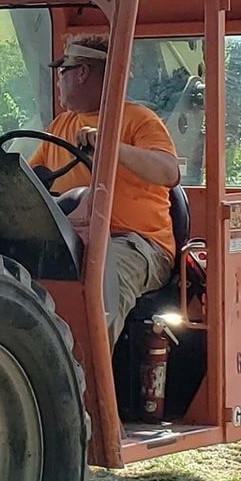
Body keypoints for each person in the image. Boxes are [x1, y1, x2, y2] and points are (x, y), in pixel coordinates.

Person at [31, 34, 180, 341]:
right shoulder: (60, 126)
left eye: (62, 71)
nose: (58, 80)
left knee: (99, 277)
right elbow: (34, 177)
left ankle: (87, 380)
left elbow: (168, 171)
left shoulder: (139, 121)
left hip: (136, 244)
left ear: (81, 72)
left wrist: (109, 145)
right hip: (70, 238)